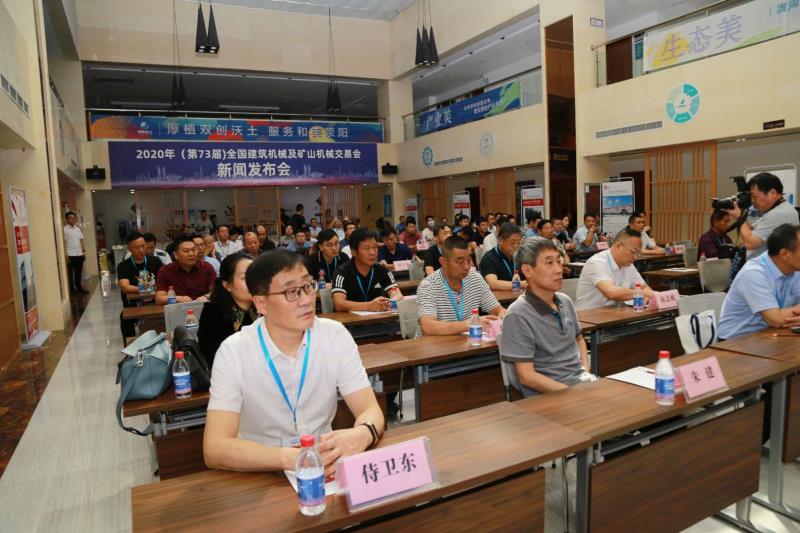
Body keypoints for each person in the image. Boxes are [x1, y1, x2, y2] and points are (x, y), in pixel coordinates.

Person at [203, 249, 385, 474]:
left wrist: (363, 433)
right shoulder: (234, 352)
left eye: (308, 287)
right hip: (260, 470)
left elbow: (369, 409)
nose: (306, 300)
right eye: (291, 292)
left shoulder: (334, 336)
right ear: (261, 303)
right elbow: (215, 448)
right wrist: (292, 458)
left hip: (325, 464)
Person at [500, 238, 591, 395]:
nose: (558, 269)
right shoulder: (517, 314)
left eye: (559, 261)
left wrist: (585, 371)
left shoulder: (565, 301)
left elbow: (579, 339)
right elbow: (526, 377)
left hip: (579, 384)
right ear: (527, 270)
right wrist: (573, 393)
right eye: (549, 263)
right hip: (550, 395)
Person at [718, 224, 800, 340]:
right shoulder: (754, 273)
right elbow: (775, 319)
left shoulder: (794, 269)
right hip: (735, 343)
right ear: (785, 254)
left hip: (771, 335)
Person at [416, 236, 505, 338]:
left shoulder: (476, 279)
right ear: (444, 262)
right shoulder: (428, 285)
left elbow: (498, 310)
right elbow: (427, 328)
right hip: (434, 345)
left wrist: (502, 316)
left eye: (469, 260)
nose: (466, 267)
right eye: (460, 262)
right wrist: (469, 324)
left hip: (466, 342)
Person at [724, 172, 799, 261]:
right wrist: (739, 214)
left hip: (768, 268)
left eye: (754, 196)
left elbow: (750, 243)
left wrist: (739, 217)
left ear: (773, 193)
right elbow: (752, 230)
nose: (752, 201)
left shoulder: (778, 214)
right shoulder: (781, 209)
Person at [197, 254, 258, 365]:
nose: (253, 282)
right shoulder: (213, 312)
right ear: (227, 285)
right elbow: (211, 356)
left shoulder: (264, 308)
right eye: (244, 278)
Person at [575, 227, 655, 310]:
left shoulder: (629, 265)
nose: (635, 257)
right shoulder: (597, 262)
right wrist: (642, 293)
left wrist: (647, 297)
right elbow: (611, 293)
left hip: (615, 313)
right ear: (618, 246)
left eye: (638, 254)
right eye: (633, 252)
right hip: (588, 315)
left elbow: (645, 288)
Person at [332, 228, 402, 312]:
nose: (373, 252)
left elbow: (396, 292)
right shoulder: (342, 272)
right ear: (354, 252)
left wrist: (392, 300)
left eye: (375, 247)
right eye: (367, 248)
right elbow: (339, 304)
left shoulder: (381, 270)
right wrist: (369, 306)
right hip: (350, 319)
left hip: (377, 318)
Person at [117, 232, 164, 338]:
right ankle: (130, 345)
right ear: (129, 249)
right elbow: (125, 287)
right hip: (134, 304)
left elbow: (165, 280)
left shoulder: (155, 261)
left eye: (143, 246)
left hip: (155, 301)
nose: (142, 250)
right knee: (124, 317)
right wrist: (148, 288)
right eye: (137, 248)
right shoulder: (123, 266)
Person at [155, 235, 216, 304]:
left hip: (203, 307)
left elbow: (216, 291)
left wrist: (206, 297)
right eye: (186, 251)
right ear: (176, 255)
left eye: (194, 250)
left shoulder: (206, 267)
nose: (191, 254)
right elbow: (159, 298)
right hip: (178, 308)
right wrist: (177, 298)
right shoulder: (166, 270)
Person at [480, 223, 526, 291]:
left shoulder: (519, 255)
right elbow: (493, 284)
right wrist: (521, 284)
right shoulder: (489, 258)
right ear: (500, 240)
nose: (516, 246)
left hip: (517, 295)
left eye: (519, 243)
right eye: (513, 243)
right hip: (498, 297)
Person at [63, 211, 87, 294]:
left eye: (73, 218)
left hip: (79, 254)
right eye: (70, 218)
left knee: (78, 273)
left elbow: (81, 240)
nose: (72, 219)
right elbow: (63, 242)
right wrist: (65, 255)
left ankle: (79, 288)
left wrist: (83, 252)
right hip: (70, 255)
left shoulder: (78, 229)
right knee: (70, 274)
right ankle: (72, 290)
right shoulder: (64, 229)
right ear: (66, 219)